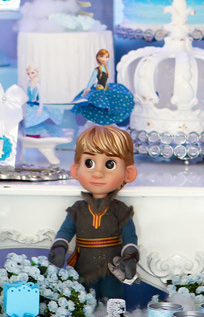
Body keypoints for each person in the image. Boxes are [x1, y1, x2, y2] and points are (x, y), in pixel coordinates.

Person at [48, 125, 140, 301]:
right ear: (75, 169)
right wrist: (59, 247)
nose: (98, 173)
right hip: (83, 268)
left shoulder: (120, 210)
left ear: (128, 173)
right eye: (89, 163)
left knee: (113, 302)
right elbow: (65, 231)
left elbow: (130, 237)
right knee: (83, 302)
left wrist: (130, 257)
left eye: (110, 164)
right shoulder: (78, 209)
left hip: (112, 270)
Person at [70, 49, 134, 127]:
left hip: (106, 88)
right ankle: (98, 123)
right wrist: (87, 90)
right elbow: (91, 80)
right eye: (102, 56)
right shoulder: (97, 70)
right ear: (98, 57)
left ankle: (106, 124)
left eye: (106, 57)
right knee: (100, 105)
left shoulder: (106, 68)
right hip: (99, 89)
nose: (104, 59)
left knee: (118, 100)